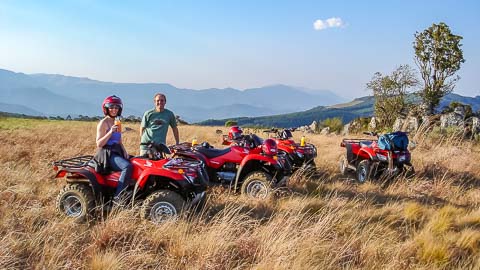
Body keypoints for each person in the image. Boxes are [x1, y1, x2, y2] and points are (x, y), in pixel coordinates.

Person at [95, 95, 132, 202]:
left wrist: (125, 151)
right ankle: (118, 196)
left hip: (117, 150)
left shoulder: (117, 122)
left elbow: (119, 140)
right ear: (106, 108)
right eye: (111, 107)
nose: (114, 109)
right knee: (127, 167)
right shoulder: (103, 123)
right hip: (106, 153)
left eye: (116, 107)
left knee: (135, 162)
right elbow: (99, 143)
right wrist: (110, 132)